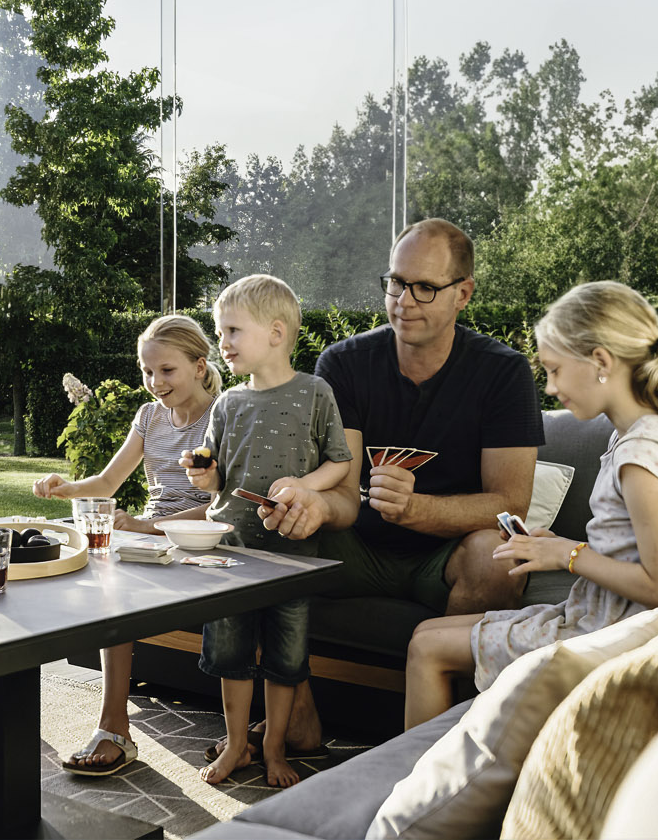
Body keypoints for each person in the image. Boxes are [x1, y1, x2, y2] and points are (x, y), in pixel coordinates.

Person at [220, 217, 542, 760]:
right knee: (258, 535)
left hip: (444, 555)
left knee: (497, 555)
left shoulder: (503, 372)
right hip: (356, 545)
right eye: (395, 282)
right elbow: (341, 489)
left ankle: (453, 740)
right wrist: (312, 504)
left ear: (463, 294)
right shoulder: (344, 364)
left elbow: (510, 504)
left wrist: (418, 509)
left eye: (424, 287)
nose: (404, 301)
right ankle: (298, 723)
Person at [403, 280, 658, 726]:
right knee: (425, 633)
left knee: (426, 648)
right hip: (613, 615)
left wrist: (566, 555)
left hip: (622, 633)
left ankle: (423, 791)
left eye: (554, 370)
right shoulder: (645, 432)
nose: (550, 388)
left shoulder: (640, 456)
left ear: (600, 362)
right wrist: (554, 548)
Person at [29, 314, 219, 775]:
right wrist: (66, 487)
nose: (154, 382)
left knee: (111, 586)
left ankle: (114, 727)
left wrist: (145, 527)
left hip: (198, 539)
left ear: (198, 365)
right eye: (146, 371)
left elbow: (219, 506)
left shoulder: (223, 414)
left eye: (166, 370)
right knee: (40, 561)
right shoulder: (149, 416)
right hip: (149, 535)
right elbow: (109, 480)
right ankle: (4, 702)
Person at [184, 275, 352, 788]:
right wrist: (203, 475)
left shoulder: (316, 392)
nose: (223, 343)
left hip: (292, 559)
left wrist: (303, 486)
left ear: (276, 333)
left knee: (285, 662)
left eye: (233, 330)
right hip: (230, 554)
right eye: (220, 330)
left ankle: (274, 748)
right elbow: (216, 475)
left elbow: (339, 464)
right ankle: (237, 746)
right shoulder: (228, 403)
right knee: (231, 657)